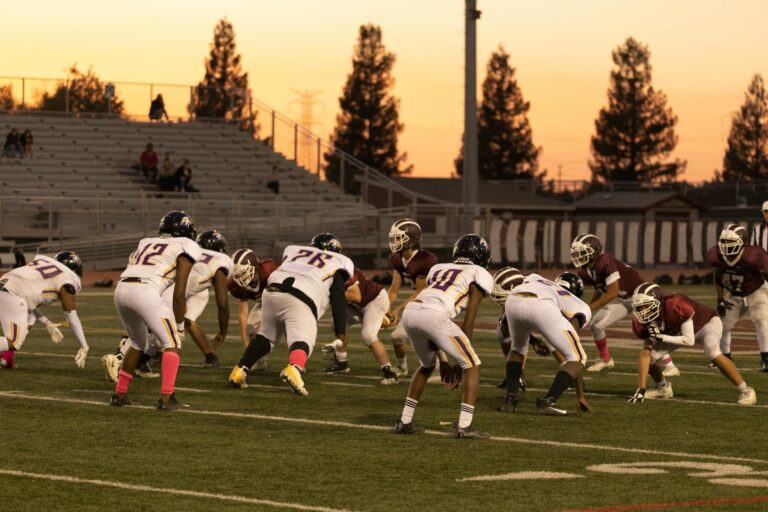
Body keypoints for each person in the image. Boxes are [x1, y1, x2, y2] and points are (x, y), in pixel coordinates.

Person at [227, 233, 354, 395]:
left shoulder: (295, 250)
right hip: (301, 295)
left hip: (272, 290)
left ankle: (240, 370)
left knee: (266, 335)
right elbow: (338, 296)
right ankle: (294, 368)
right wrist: (340, 333)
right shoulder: (339, 262)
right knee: (303, 340)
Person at [393, 234, 493, 439]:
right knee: (472, 365)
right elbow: (469, 320)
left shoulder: (439, 268)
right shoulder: (478, 272)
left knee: (426, 365)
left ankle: (404, 422)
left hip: (411, 312)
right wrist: (460, 363)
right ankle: (465, 426)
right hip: (434, 314)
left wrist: (444, 360)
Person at [100, 229, 233, 379]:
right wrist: (222, 331)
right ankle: (119, 360)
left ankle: (137, 363)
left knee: (149, 334)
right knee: (167, 339)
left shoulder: (184, 248)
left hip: (151, 285)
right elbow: (222, 304)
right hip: (169, 293)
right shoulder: (220, 261)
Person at [109, 210, 202, 410]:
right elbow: (179, 293)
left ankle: (120, 394)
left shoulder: (146, 242)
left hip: (122, 287)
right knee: (172, 342)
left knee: (136, 343)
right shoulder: (187, 246)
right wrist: (178, 326)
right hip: (145, 289)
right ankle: (167, 397)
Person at [628, 282, 756, 405]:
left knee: (712, 352)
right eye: (639, 308)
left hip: (706, 323)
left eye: (646, 306)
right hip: (678, 332)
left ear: (658, 302)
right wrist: (641, 389)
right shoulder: (641, 322)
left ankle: (746, 390)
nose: (642, 311)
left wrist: (661, 337)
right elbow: (645, 355)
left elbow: (689, 340)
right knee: (651, 358)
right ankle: (662, 388)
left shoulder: (676, 304)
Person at [570, 233, 679, 376]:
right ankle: (605, 359)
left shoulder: (605, 261)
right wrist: (588, 310)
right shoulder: (586, 271)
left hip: (639, 296)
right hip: (622, 299)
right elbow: (599, 289)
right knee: (596, 325)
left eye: (582, 253)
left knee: (650, 329)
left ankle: (670, 366)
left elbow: (613, 292)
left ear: (595, 252)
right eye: (577, 253)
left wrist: (588, 308)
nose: (578, 257)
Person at [499, 272, 592, 415]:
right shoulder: (582, 307)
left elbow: (523, 298)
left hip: (513, 299)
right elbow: (572, 352)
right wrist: (580, 395)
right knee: (578, 357)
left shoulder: (537, 278)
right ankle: (548, 401)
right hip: (541, 305)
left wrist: (534, 340)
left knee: (517, 349)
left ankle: (510, 400)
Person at [0, 251, 89, 370]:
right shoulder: (67, 278)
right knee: (15, 342)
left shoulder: (43, 262)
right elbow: (71, 317)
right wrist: (84, 346)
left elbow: (29, 303)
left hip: (6, 286)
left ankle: (5, 357)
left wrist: (47, 323)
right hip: (12, 294)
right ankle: (6, 354)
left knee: (30, 318)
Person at [322, 269, 399, 385]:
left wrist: (333, 293)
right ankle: (341, 363)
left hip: (373, 300)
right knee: (337, 324)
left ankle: (389, 372)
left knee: (368, 336)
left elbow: (356, 296)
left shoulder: (343, 271)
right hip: (358, 305)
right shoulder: (328, 272)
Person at [708, 223, 768, 371]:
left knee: (761, 318)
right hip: (733, 293)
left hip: (756, 289)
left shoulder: (752, 256)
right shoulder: (716, 255)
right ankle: (725, 358)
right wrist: (720, 300)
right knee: (721, 325)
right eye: (724, 241)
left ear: (741, 243)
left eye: (730, 242)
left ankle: (766, 358)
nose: (725, 245)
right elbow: (718, 277)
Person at [386, 218, 439, 377]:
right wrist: (386, 309)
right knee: (397, 336)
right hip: (416, 304)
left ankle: (437, 368)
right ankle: (402, 367)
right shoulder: (397, 258)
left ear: (411, 239)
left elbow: (420, 292)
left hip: (433, 303)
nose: (394, 242)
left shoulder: (426, 260)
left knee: (430, 335)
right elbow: (394, 290)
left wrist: (397, 309)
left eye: (398, 238)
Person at [227, 248, 279, 370]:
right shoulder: (235, 286)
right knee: (252, 327)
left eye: (243, 273)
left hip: (283, 300)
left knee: (290, 326)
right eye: (237, 275)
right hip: (264, 303)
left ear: (254, 267)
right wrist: (246, 344)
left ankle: (296, 361)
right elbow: (243, 314)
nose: (239, 278)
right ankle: (258, 359)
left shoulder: (269, 270)